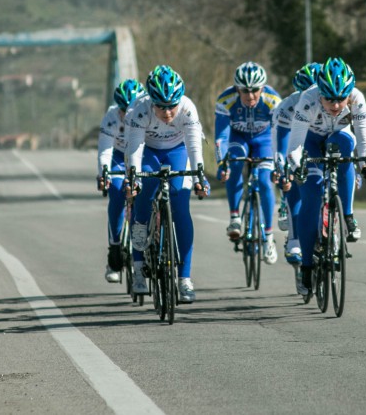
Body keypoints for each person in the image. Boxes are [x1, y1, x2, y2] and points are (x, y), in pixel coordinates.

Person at [286, 57, 366, 295]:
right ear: (320, 94)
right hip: (311, 142)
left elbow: (364, 137)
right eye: (329, 99)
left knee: (346, 147)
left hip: (338, 137)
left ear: (349, 93)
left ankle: (347, 215)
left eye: (340, 99)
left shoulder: (357, 98)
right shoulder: (307, 100)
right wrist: (298, 167)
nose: (336, 105)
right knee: (312, 196)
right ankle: (307, 265)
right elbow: (294, 144)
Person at [125, 65, 209, 303]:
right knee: (143, 194)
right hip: (148, 152)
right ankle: (139, 268)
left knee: (181, 208)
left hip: (177, 151)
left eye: (172, 105)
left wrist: (199, 177)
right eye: (160, 106)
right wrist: (134, 178)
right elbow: (135, 150)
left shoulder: (188, 108)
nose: (167, 112)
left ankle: (184, 279)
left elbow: (194, 147)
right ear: (150, 101)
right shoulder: (138, 110)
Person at [214, 61, 283, 265]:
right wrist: (221, 163)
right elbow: (221, 137)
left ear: (263, 88)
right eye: (245, 91)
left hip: (264, 140)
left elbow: (279, 135)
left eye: (255, 90)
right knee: (234, 163)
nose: (251, 96)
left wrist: (279, 164)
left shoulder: (273, 100)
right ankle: (235, 217)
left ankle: (269, 237)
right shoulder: (226, 100)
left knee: (264, 181)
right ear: (237, 88)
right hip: (238, 138)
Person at [96, 78, 146, 284]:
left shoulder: (147, 113)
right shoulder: (111, 117)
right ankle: (115, 249)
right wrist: (104, 174)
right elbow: (105, 149)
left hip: (141, 155)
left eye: (133, 109)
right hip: (118, 157)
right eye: (125, 110)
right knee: (117, 192)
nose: (128, 115)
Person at [272, 62, 322, 267]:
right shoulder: (287, 107)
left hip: (319, 144)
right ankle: (294, 237)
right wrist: (283, 170)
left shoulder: (330, 101)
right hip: (296, 146)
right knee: (292, 175)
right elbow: (280, 145)